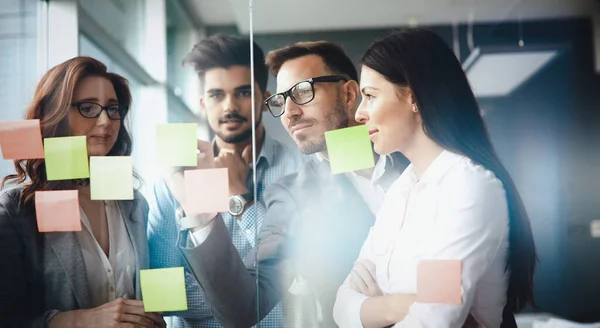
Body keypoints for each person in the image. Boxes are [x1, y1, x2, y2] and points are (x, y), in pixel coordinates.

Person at [172, 41, 407, 327]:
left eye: (303, 92)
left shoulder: (413, 160)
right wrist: (202, 216)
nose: (289, 113)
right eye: (281, 101)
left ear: (348, 94)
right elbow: (242, 309)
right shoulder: (291, 194)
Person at [333, 28, 537, 328]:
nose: (360, 114)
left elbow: (433, 321)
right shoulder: (402, 189)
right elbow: (341, 307)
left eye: (370, 96)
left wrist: (377, 305)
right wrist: (400, 305)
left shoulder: (466, 188)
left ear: (413, 97)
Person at [147, 34, 304, 327]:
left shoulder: (300, 170)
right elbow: (161, 291)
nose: (229, 106)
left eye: (243, 92)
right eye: (217, 95)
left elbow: (302, 275)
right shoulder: (174, 181)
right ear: (203, 103)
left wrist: (240, 196)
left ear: (264, 98)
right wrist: (245, 300)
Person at [0, 57, 165, 328]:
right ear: (56, 114)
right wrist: (80, 321)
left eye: (113, 109)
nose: (106, 121)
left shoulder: (134, 204)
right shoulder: (17, 209)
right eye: (88, 108)